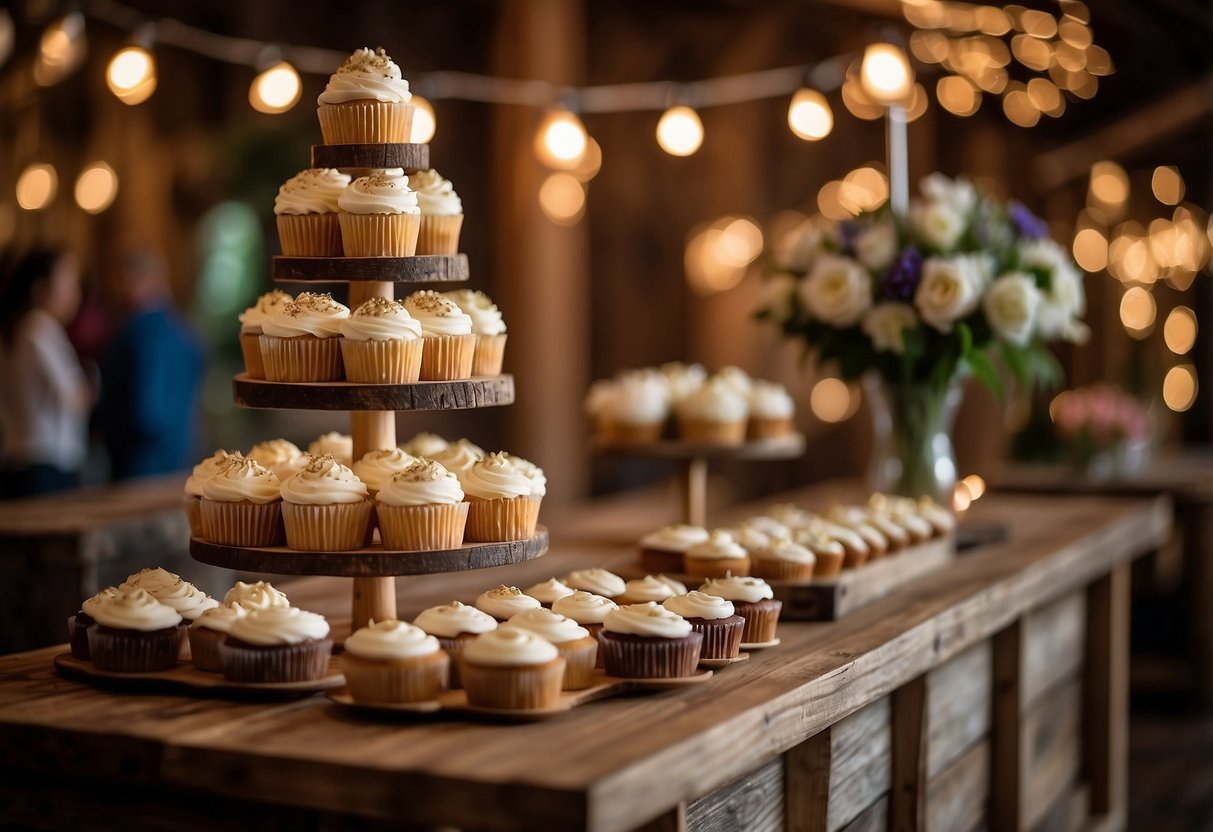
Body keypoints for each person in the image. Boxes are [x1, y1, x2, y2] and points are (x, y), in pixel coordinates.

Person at [96, 247, 206, 480]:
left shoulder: (141, 333)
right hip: (180, 454)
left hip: (140, 461)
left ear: (128, 278)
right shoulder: (183, 329)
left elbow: (146, 409)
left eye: (116, 279)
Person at [0, 247, 93, 497]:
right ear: (40, 289)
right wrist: (92, 386)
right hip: (47, 465)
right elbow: (72, 398)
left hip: (18, 460)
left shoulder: (15, 328)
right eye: (69, 282)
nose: (76, 293)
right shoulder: (40, 328)